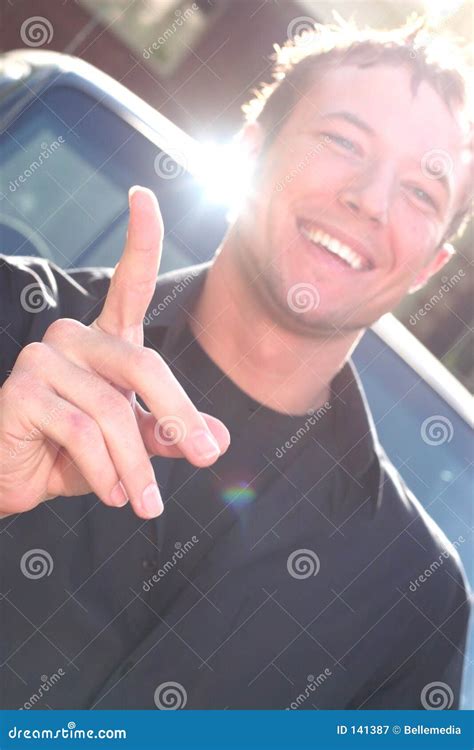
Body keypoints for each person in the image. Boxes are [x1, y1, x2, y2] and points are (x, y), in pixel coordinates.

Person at [0, 16, 472, 710]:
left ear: (428, 267)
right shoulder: (16, 321)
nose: (370, 200)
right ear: (250, 150)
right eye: (344, 142)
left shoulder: (416, 598)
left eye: (422, 193)